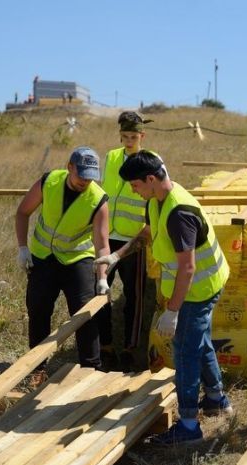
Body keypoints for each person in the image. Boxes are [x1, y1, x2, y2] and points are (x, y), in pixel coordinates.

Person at [96, 151, 233, 445]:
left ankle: (188, 426)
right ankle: (217, 400)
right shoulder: (157, 200)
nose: (134, 191)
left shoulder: (179, 213)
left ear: (150, 179)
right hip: (197, 286)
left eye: (135, 185)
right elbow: (147, 232)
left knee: (185, 351)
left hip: (197, 289)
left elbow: (187, 267)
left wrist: (172, 311)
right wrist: (117, 255)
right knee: (200, 341)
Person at [16, 146, 111, 375]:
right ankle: (37, 369)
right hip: (43, 258)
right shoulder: (49, 182)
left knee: (84, 314)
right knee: (38, 310)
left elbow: (102, 243)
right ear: (70, 167)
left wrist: (102, 278)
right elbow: (22, 212)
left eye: (90, 178)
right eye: (81, 176)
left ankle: (92, 370)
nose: (85, 182)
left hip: (76, 260)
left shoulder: (98, 200)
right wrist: (22, 248)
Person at [96, 111, 152, 372]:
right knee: (100, 291)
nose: (129, 141)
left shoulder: (151, 161)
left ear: (142, 136)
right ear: (119, 135)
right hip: (109, 237)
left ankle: (130, 349)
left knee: (134, 297)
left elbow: (156, 197)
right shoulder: (111, 157)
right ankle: (105, 347)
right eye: (125, 136)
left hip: (135, 240)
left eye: (134, 136)